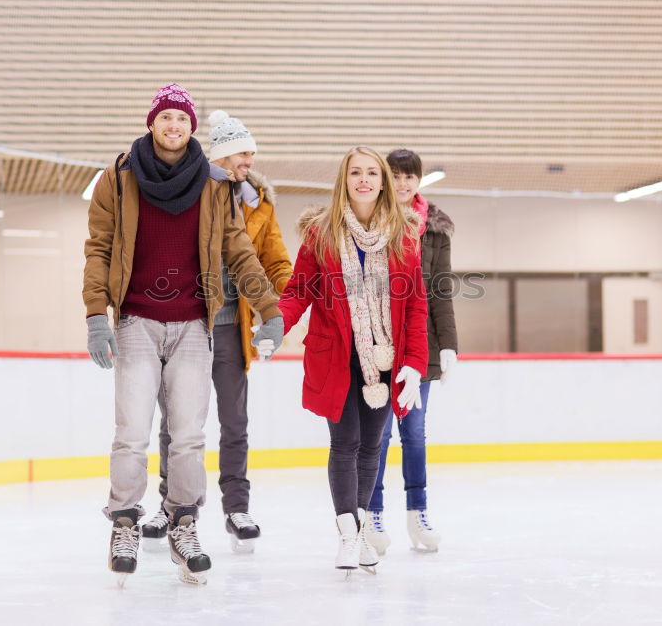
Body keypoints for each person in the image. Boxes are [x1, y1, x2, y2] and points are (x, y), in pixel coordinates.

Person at [82, 83, 284, 586]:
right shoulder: (119, 176)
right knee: (131, 434)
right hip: (135, 321)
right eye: (166, 117)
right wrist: (94, 316)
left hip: (195, 323)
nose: (174, 126)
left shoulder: (215, 183)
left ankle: (184, 523)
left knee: (189, 437)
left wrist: (268, 308)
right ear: (152, 122)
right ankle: (124, 523)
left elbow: (239, 250)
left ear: (193, 128)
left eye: (183, 119)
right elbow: (98, 248)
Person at [140, 109, 293, 553]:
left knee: (234, 420)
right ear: (224, 153)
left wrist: (281, 307)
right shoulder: (192, 189)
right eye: (244, 151)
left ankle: (237, 507)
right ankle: (170, 506)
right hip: (188, 322)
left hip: (231, 328)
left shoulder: (259, 203)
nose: (250, 159)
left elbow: (275, 261)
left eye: (250, 152)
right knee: (175, 422)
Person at [278, 146, 428, 576]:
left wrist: (415, 363)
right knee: (345, 445)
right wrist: (275, 326)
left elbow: (416, 305)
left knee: (371, 449)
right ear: (344, 181)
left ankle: (360, 530)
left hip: (385, 359)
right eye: (355, 173)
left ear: (382, 182)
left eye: (371, 173)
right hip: (336, 357)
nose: (364, 180)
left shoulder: (404, 236)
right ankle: (347, 536)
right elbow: (298, 291)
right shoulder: (322, 233)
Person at [363, 149, 458, 555]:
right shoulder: (370, 222)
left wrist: (450, 344)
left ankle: (417, 514)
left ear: (419, 181)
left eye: (410, 177)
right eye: (396, 176)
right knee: (379, 434)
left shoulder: (434, 231)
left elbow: (440, 291)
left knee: (414, 434)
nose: (403, 184)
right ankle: (373, 512)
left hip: (424, 346)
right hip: (380, 345)